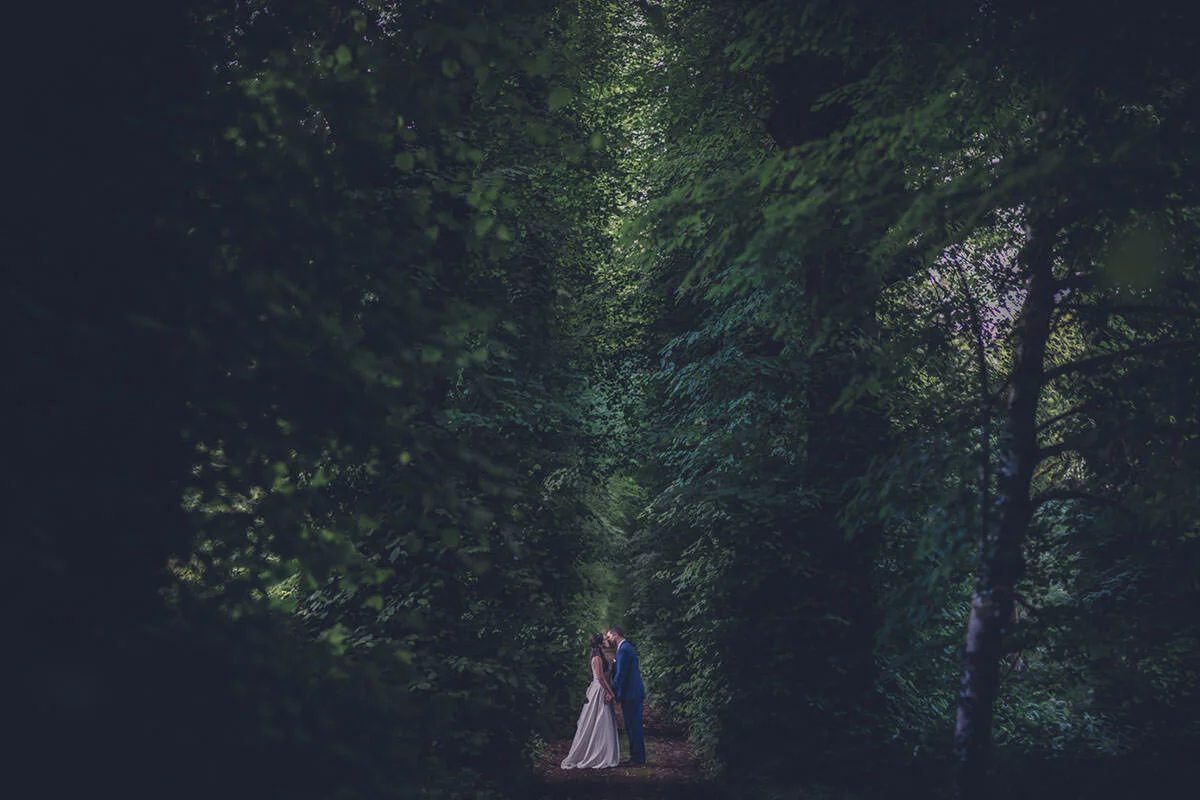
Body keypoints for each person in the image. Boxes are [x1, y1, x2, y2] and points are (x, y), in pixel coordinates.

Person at [560, 633, 620, 769]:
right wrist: (610, 692)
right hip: (599, 690)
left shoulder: (599, 656)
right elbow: (600, 678)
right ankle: (597, 752)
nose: (606, 641)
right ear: (599, 644)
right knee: (598, 719)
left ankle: (602, 750)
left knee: (601, 720)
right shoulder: (597, 658)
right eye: (604, 640)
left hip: (600, 688)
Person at [605, 625, 646, 766]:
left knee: (633, 726)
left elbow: (620, 675)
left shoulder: (623, 650)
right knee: (632, 725)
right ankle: (637, 757)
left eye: (609, 636)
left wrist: (612, 692)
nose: (608, 639)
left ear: (616, 635)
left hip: (632, 694)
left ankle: (638, 759)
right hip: (632, 693)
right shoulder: (625, 648)